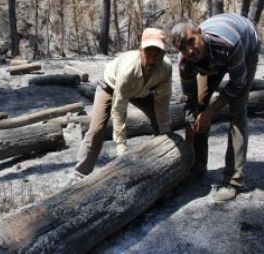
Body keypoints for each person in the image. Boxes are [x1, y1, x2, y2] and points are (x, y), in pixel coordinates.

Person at [171, 13, 261, 202]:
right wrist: (190, 135)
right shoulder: (185, 64)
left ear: (200, 33)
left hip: (246, 45)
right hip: (213, 59)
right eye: (182, 48)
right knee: (201, 103)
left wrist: (211, 112)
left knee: (237, 110)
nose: (189, 51)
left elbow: (238, 83)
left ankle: (233, 181)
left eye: (191, 41)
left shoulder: (228, 43)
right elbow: (191, 101)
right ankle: (197, 166)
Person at [75, 28, 172, 178]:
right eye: (148, 53)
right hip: (110, 86)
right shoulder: (128, 70)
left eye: (157, 54)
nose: (152, 60)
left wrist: (165, 132)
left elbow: (163, 102)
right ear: (140, 51)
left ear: (164, 54)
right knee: (97, 130)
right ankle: (80, 174)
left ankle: (161, 157)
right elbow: (119, 110)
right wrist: (122, 148)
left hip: (141, 90)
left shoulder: (166, 69)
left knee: (159, 121)